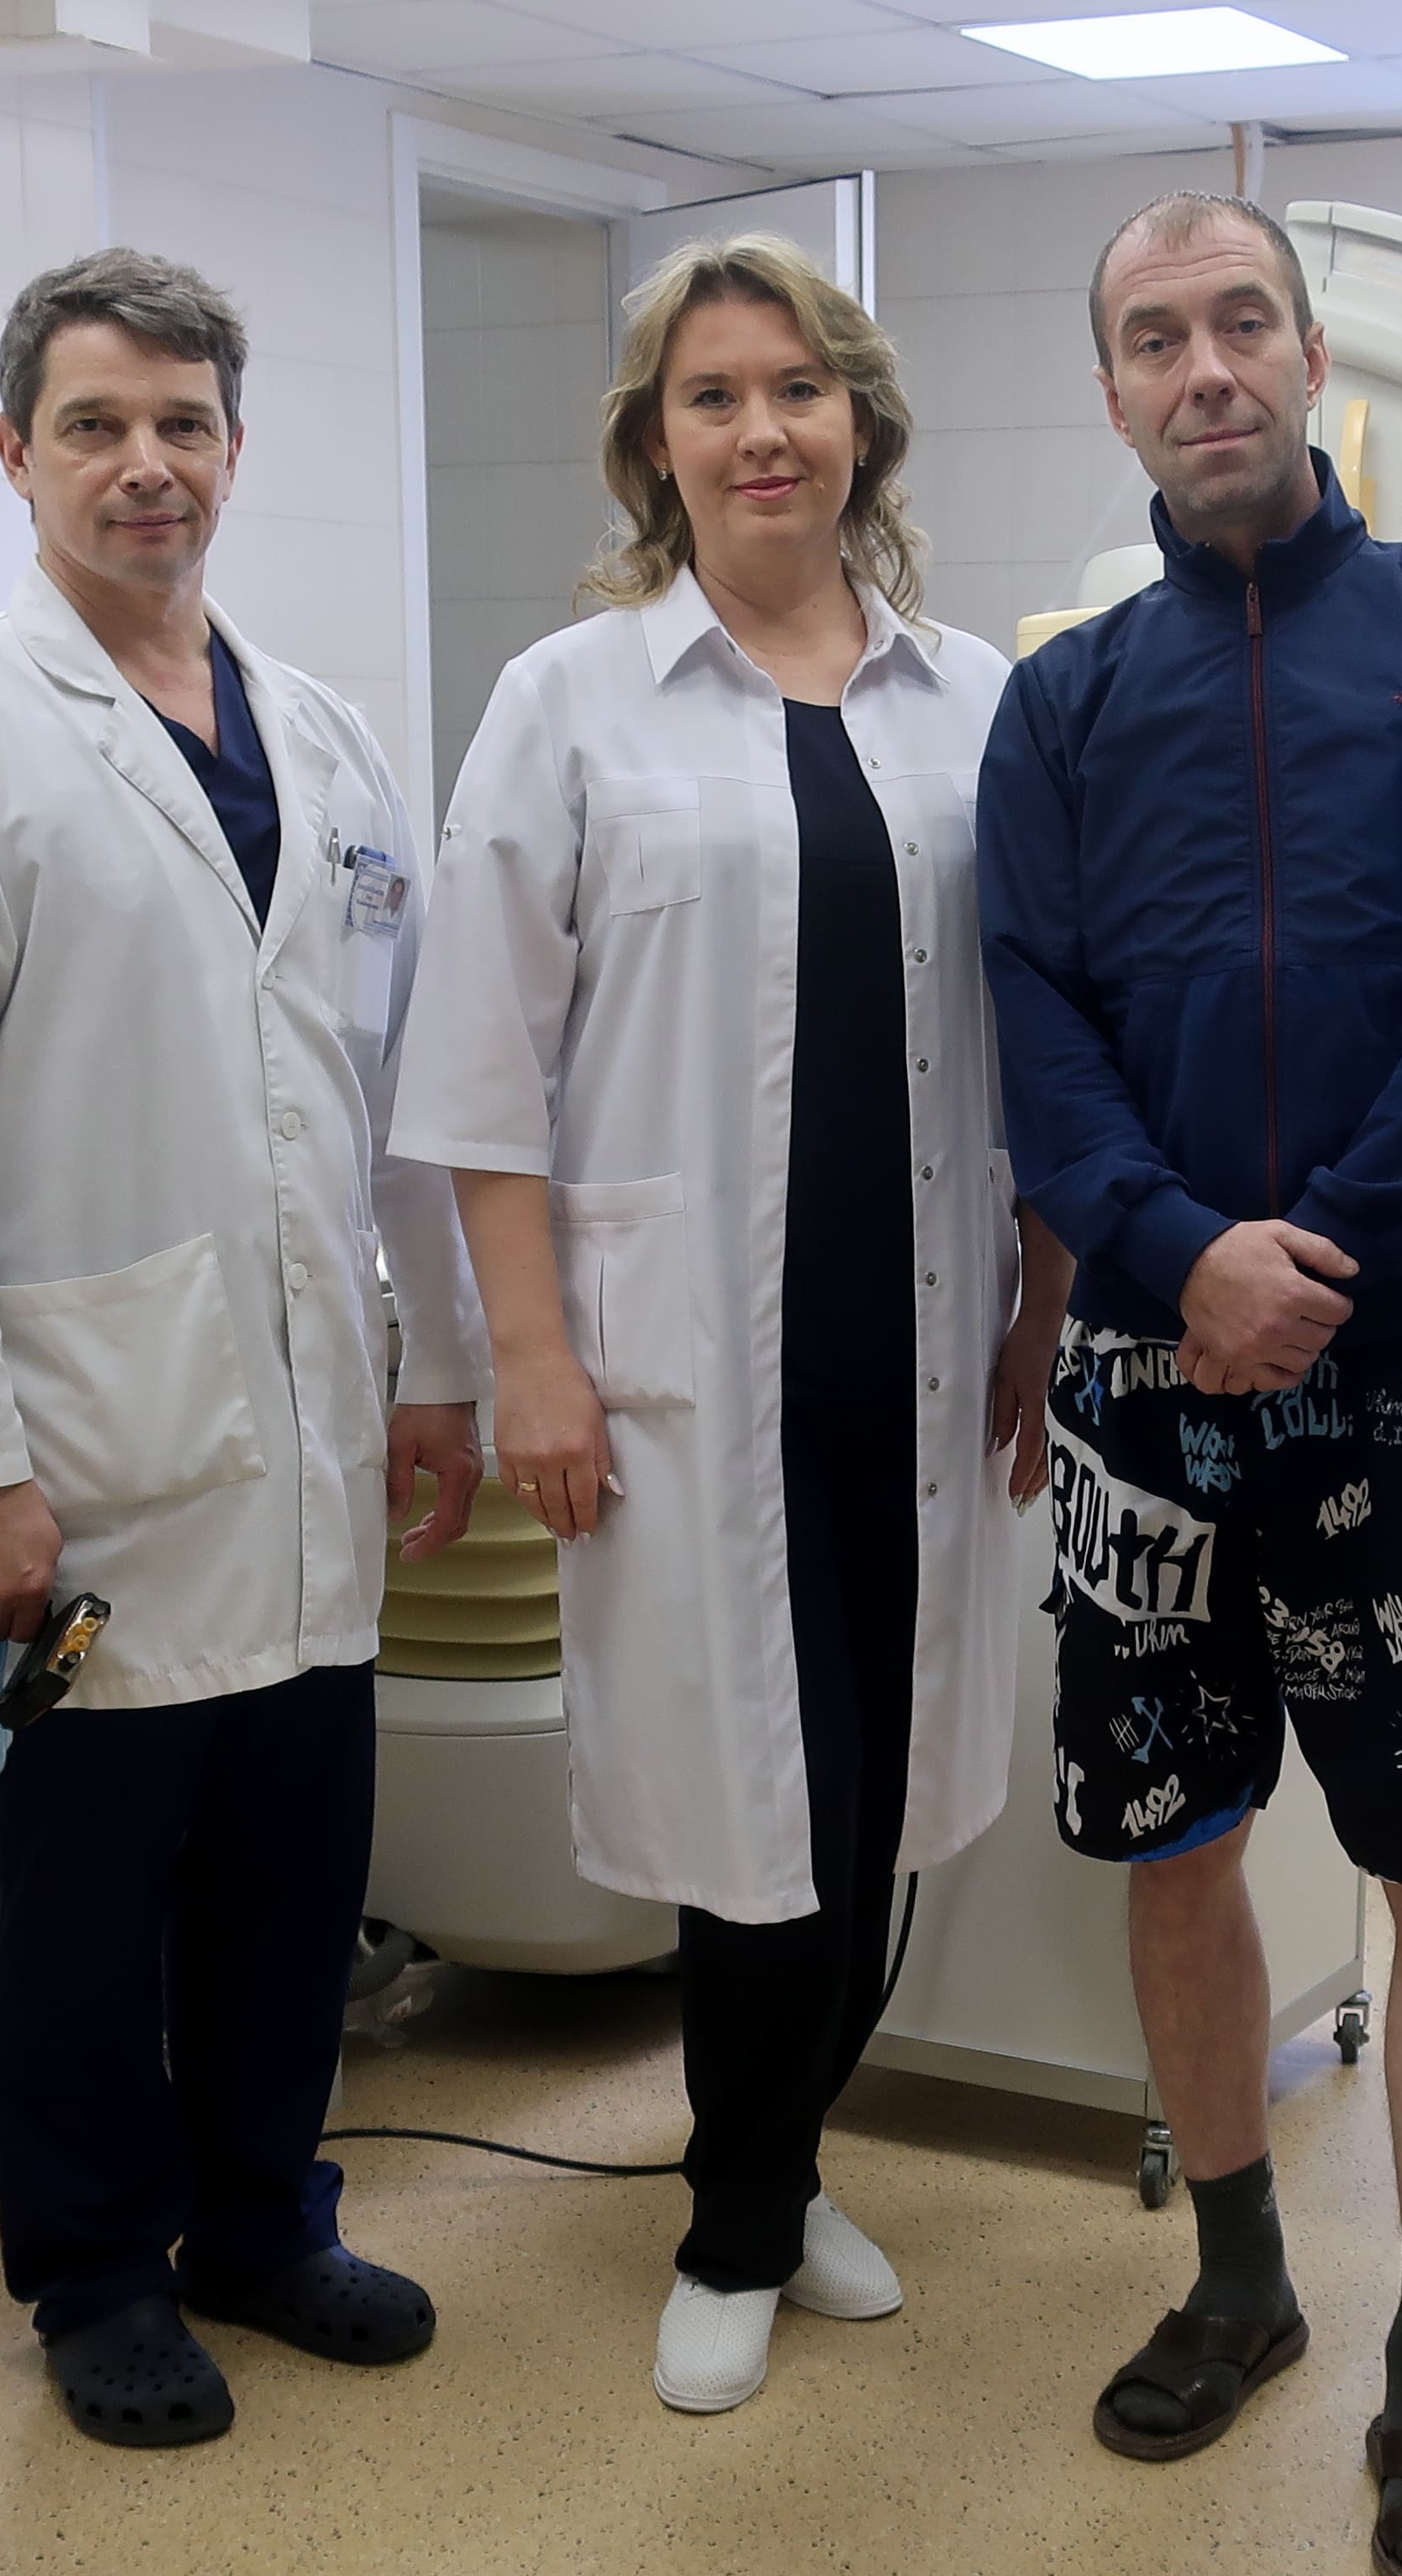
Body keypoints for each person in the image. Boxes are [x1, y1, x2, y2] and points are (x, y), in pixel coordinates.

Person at [0, 250, 486, 2450]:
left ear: (233, 447)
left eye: (182, 424)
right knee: (95, 1892)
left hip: (300, 1422)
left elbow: (396, 1084)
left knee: (294, 1864)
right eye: (94, 426)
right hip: (83, 1447)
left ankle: (263, 2218)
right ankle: (97, 2262)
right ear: (15, 453)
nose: (144, 465)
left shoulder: (330, 739)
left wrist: (438, 1360)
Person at [978, 192, 1402, 2576]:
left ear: (1313, 356)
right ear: (1112, 390)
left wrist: (1307, 1264)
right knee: (1173, 1842)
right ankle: (1237, 2273)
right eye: (1155, 336)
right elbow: (1035, 1025)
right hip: (1150, 1379)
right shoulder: (1063, 705)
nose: (1204, 366)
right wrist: (1170, 1256)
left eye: (1241, 322)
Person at [393, 236, 1060, 2418]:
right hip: (686, 1358)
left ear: (858, 421)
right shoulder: (569, 700)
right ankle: (737, 2214)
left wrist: (1043, 1304)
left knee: (875, 1790)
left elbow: (1041, 1030)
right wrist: (526, 1356)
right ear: (653, 443)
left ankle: (778, 2161)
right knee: (744, 1800)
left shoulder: (968, 700)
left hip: (923, 1325)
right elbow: (479, 1068)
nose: (759, 429)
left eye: (795, 388)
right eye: (711, 396)